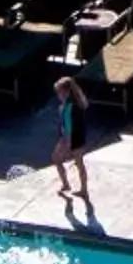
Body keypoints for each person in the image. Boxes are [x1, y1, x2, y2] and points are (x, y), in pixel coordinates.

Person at [50, 73, 92, 205]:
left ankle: (67, 185)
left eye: (60, 93)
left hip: (71, 138)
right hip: (78, 137)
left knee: (57, 159)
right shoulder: (78, 102)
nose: (58, 96)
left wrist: (67, 145)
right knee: (79, 164)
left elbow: (68, 128)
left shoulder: (69, 107)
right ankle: (81, 189)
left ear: (67, 92)